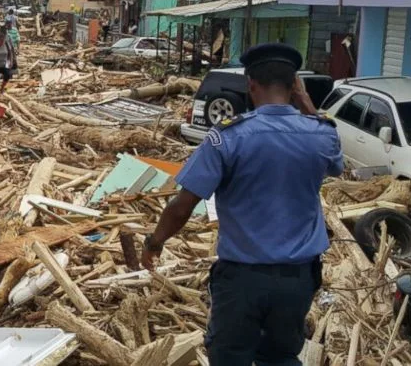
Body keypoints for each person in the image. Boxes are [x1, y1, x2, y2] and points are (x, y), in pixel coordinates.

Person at [140, 43, 343, 366]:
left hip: (242, 281)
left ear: (250, 85)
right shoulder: (321, 134)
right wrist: (307, 105)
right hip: (298, 280)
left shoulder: (229, 137)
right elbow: (336, 165)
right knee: (281, 357)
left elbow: (183, 205)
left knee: (229, 356)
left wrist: (154, 242)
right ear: (295, 86)